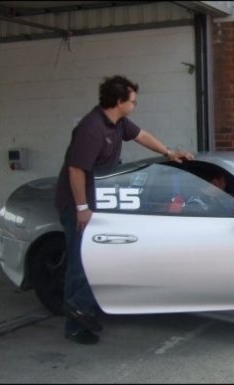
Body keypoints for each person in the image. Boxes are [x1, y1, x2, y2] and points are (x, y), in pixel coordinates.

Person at [54, 75, 195, 345]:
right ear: (119, 102)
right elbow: (75, 170)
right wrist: (82, 208)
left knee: (94, 258)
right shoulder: (92, 128)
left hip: (99, 201)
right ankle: (75, 323)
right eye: (133, 101)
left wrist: (168, 152)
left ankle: (86, 310)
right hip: (77, 204)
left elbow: (141, 135)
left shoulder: (118, 123)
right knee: (82, 261)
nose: (135, 105)